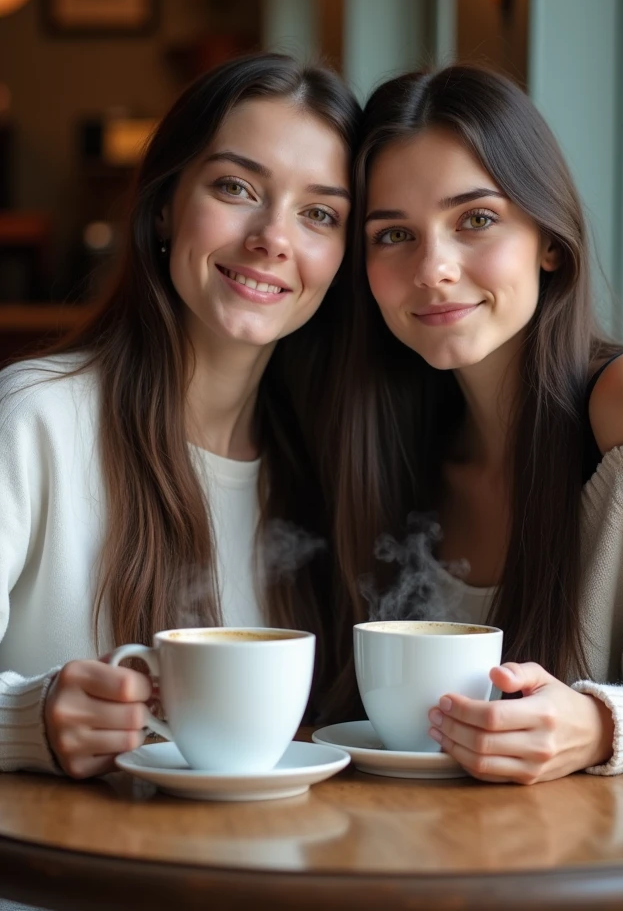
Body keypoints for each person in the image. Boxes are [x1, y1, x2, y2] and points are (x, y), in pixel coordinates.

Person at [0, 52, 360, 780]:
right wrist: (28, 718)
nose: (273, 237)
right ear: (165, 203)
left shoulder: (333, 462)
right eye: (236, 187)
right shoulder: (34, 418)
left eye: (319, 213)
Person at [332, 64, 623, 783]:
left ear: (549, 240)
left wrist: (600, 724)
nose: (433, 268)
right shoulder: (388, 449)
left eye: (477, 220)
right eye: (393, 233)